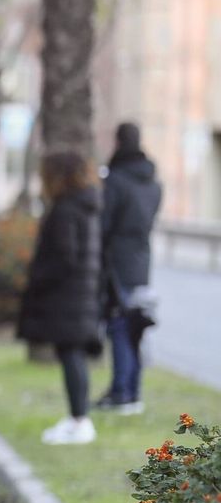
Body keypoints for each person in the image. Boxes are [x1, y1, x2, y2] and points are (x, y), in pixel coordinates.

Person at [19, 151, 103, 445]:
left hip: (68, 294)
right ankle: (77, 418)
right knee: (72, 354)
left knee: (71, 355)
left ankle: (80, 421)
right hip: (79, 292)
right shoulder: (85, 206)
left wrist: (39, 278)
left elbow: (65, 256)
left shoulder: (66, 209)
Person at [96, 122, 162, 414]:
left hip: (117, 263)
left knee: (120, 325)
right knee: (135, 327)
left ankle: (121, 391)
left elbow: (105, 223)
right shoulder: (152, 183)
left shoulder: (117, 180)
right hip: (142, 260)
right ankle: (132, 391)